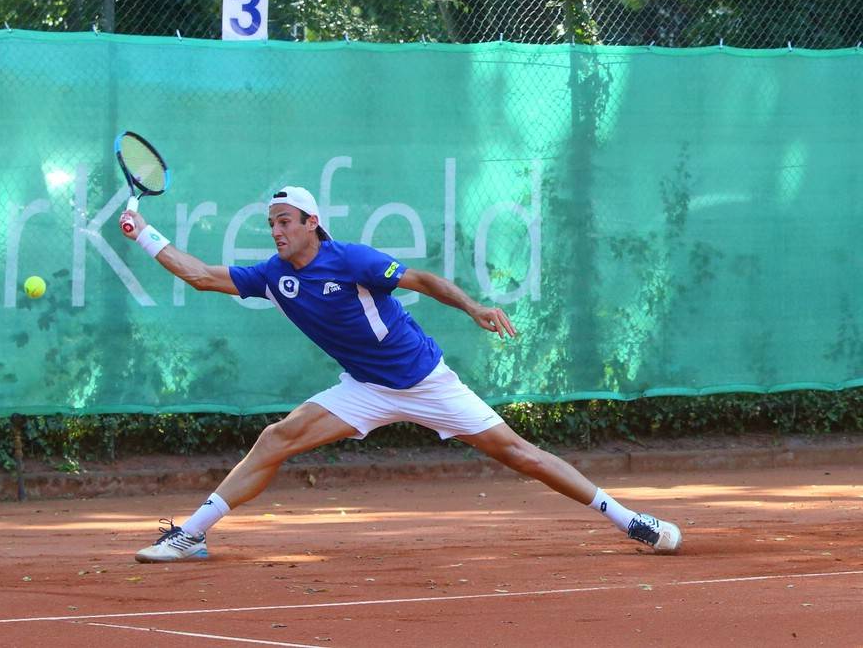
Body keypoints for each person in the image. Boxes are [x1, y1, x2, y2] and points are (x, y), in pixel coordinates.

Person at [119, 185, 682, 562]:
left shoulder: (352, 259)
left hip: (425, 381)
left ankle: (628, 519)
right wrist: (144, 232)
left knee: (520, 454)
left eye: (285, 221)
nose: (276, 231)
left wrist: (474, 307)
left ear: (313, 223)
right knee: (276, 438)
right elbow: (199, 275)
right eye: (271, 224)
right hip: (365, 388)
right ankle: (191, 536)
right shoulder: (273, 274)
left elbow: (423, 281)